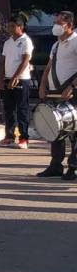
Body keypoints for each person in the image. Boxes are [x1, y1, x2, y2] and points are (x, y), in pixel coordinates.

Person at [37, 11, 77, 180]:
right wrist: (43, 85)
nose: (55, 26)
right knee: (56, 128)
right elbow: (49, 67)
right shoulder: (56, 45)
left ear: (69, 25)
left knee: (74, 130)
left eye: (58, 23)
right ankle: (55, 165)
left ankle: (73, 167)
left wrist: (73, 86)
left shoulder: (76, 41)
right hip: (54, 91)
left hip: (71, 91)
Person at [0, 14, 33, 149]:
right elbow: (3, 61)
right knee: (8, 109)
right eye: (8, 26)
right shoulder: (8, 42)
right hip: (7, 78)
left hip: (21, 79)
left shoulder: (26, 41)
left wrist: (15, 77)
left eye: (12, 26)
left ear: (20, 27)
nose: (9, 29)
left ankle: (24, 138)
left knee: (22, 109)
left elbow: (25, 61)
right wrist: (1, 78)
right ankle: (9, 136)